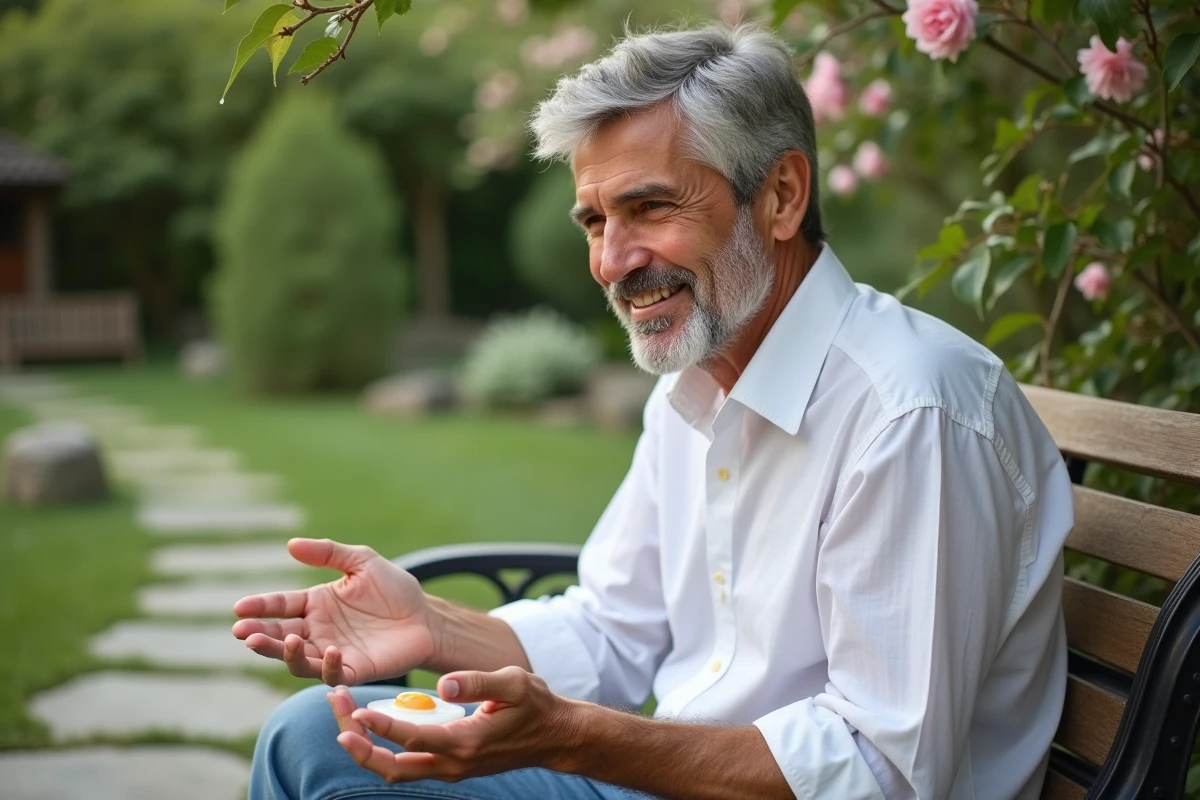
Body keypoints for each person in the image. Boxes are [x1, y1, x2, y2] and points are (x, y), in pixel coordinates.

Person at [237, 22, 1074, 800]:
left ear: (781, 195)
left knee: (318, 750)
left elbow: (877, 770)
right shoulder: (694, 388)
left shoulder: (910, 414)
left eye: (650, 208)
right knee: (311, 735)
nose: (611, 262)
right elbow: (611, 627)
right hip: (672, 777)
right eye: (595, 220)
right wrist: (432, 623)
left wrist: (571, 739)